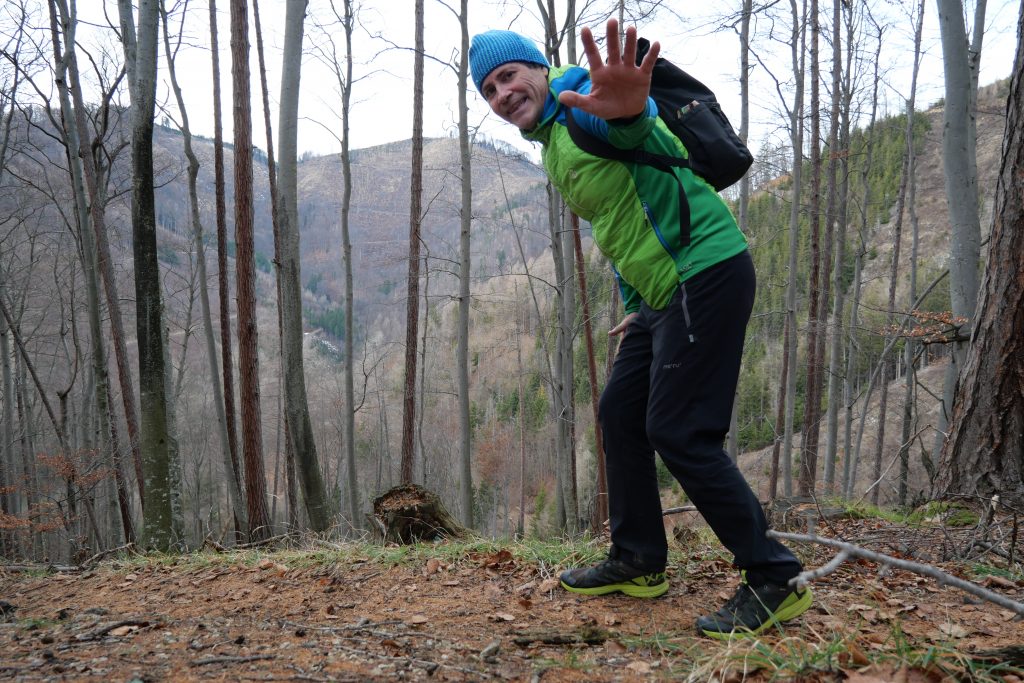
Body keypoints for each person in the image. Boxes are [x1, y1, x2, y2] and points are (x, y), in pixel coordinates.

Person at [469, 20, 813, 639]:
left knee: (680, 430)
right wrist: (634, 300)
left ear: (538, 69)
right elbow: (624, 216)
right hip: (659, 293)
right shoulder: (553, 142)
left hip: (705, 269)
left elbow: (632, 123)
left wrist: (630, 110)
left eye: (510, 75)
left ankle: (773, 577)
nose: (502, 94)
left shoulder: (584, 104)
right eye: (489, 89)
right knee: (620, 414)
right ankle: (638, 560)